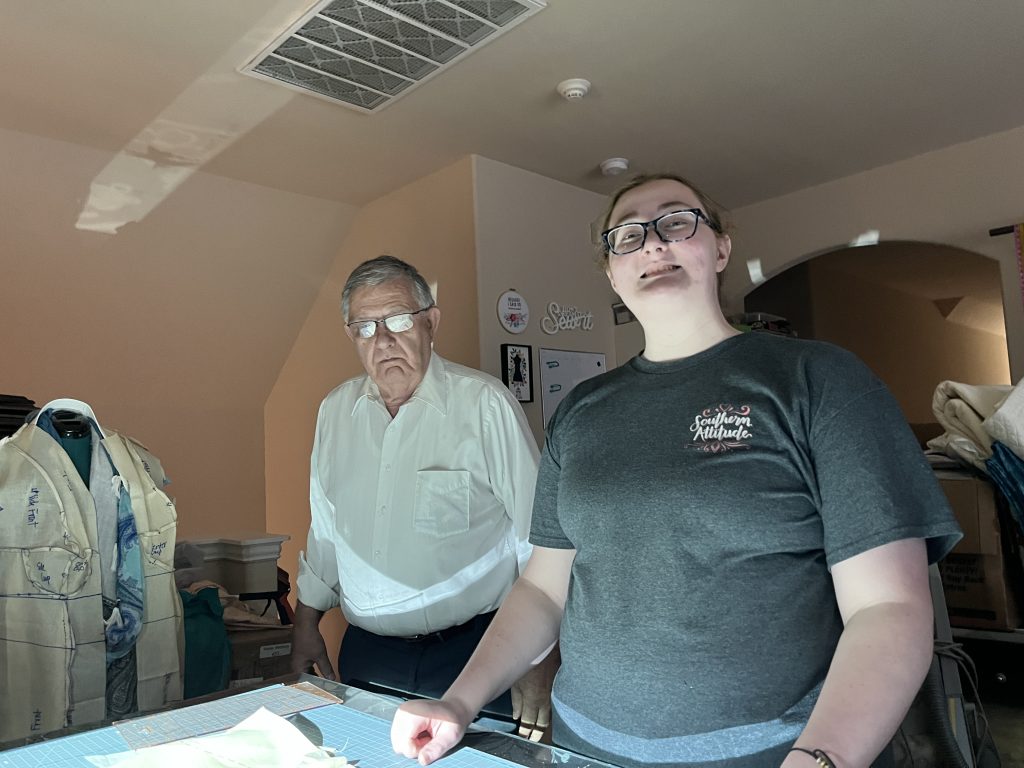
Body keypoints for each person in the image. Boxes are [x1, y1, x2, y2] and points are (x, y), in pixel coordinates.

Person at [390, 174, 962, 768]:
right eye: (627, 234)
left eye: (676, 221)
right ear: (611, 273)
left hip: (772, 754)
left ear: (720, 248)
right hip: (582, 748)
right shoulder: (581, 411)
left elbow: (888, 609)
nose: (652, 243)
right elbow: (543, 588)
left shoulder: (819, 381)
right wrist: (458, 701)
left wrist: (822, 757)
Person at [293, 255, 557, 738]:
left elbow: (538, 540)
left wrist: (538, 658)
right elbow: (327, 531)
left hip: (476, 654)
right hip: (369, 657)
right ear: (351, 336)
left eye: (398, 319)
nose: (385, 340)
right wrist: (305, 623)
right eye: (366, 328)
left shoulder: (484, 404)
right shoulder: (334, 413)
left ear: (430, 322)